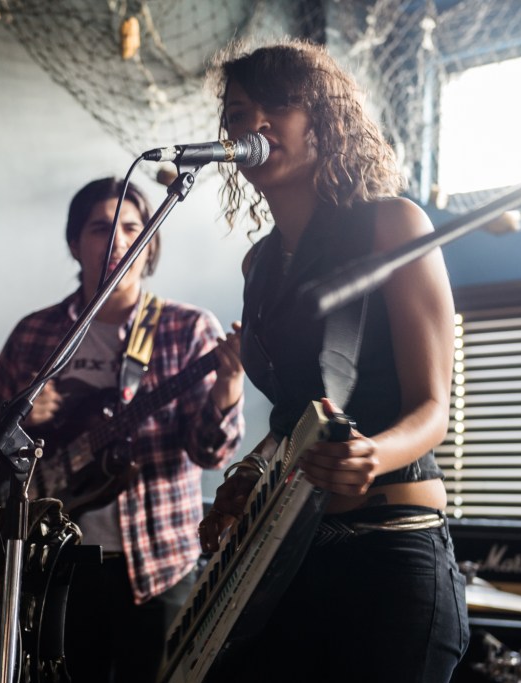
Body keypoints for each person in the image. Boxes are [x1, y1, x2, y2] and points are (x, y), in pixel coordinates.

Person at [197, 40, 469, 682]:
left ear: (325, 117)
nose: (253, 125)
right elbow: (296, 417)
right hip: (288, 557)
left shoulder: (393, 225)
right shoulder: (258, 265)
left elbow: (433, 408)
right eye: (237, 114)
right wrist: (251, 475)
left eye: (278, 105)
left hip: (392, 547)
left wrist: (372, 453)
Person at [0, 177, 245, 682]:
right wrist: (22, 420)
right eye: (101, 228)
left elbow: (210, 453)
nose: (118, 240)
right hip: (58, 560)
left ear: (151, 243)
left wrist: (228, 384)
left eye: (131, 227)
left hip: (159, 563)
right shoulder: (36, 333)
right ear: (76, 244)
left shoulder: (186, 329)